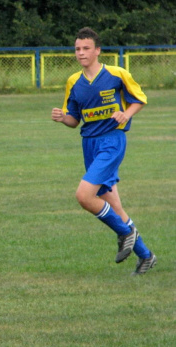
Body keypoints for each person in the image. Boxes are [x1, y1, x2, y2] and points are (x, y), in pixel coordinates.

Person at [51, 27, 156, 275]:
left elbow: (139, 98)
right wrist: (62, 117)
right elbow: (74, 120)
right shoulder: (74, 82)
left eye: (86, 48)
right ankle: (146, 256)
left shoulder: (116, 74)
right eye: (77, 48)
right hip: (89, 144)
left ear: (98, 50)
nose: (81, 53)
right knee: (114, 207)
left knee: (84, 196)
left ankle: (125, 233)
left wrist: (125, 113)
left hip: (112, 140)